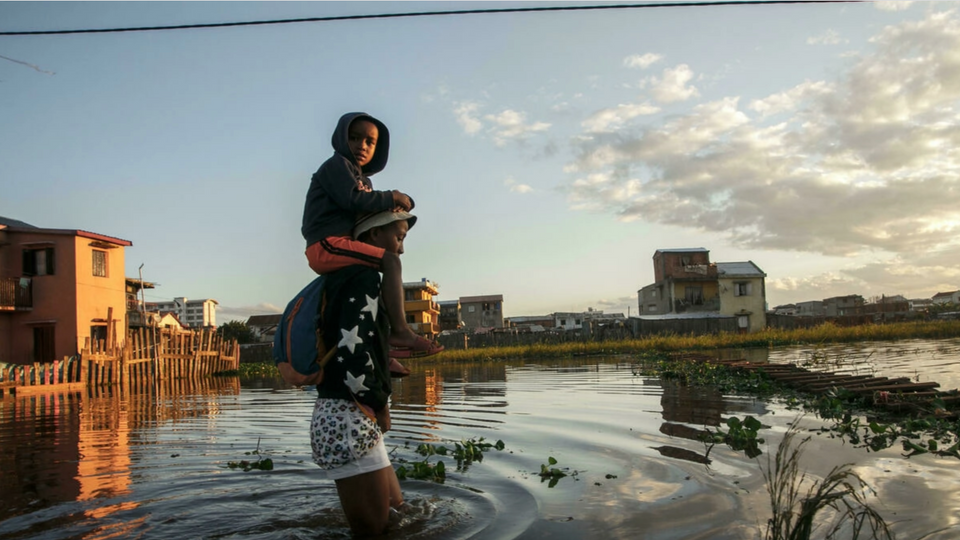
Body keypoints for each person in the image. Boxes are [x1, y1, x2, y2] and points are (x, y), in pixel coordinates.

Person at [310, 210, 419, 536]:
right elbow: (354, 355)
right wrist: (380, 404)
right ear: (372, 236)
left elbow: (362, 347)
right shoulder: (362, 277)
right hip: (349, 417)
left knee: (398, 515)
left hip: (349, 415)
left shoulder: (344, 277)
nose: (400, 249)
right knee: (374, 531)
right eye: (398, 238)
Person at [301, 112, 442, 360]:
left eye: (370, 142)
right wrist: (393, 196)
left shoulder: (362, 179)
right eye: (354, 138)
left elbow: (366, 213)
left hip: (342, 244)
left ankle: (379, 351)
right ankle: (400, 331)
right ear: (341, 138)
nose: (361, 146)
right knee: (390, 261)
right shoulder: (337, 166)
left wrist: (392, 207)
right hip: (325, 244)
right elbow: (353, 200)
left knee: (374, 285)